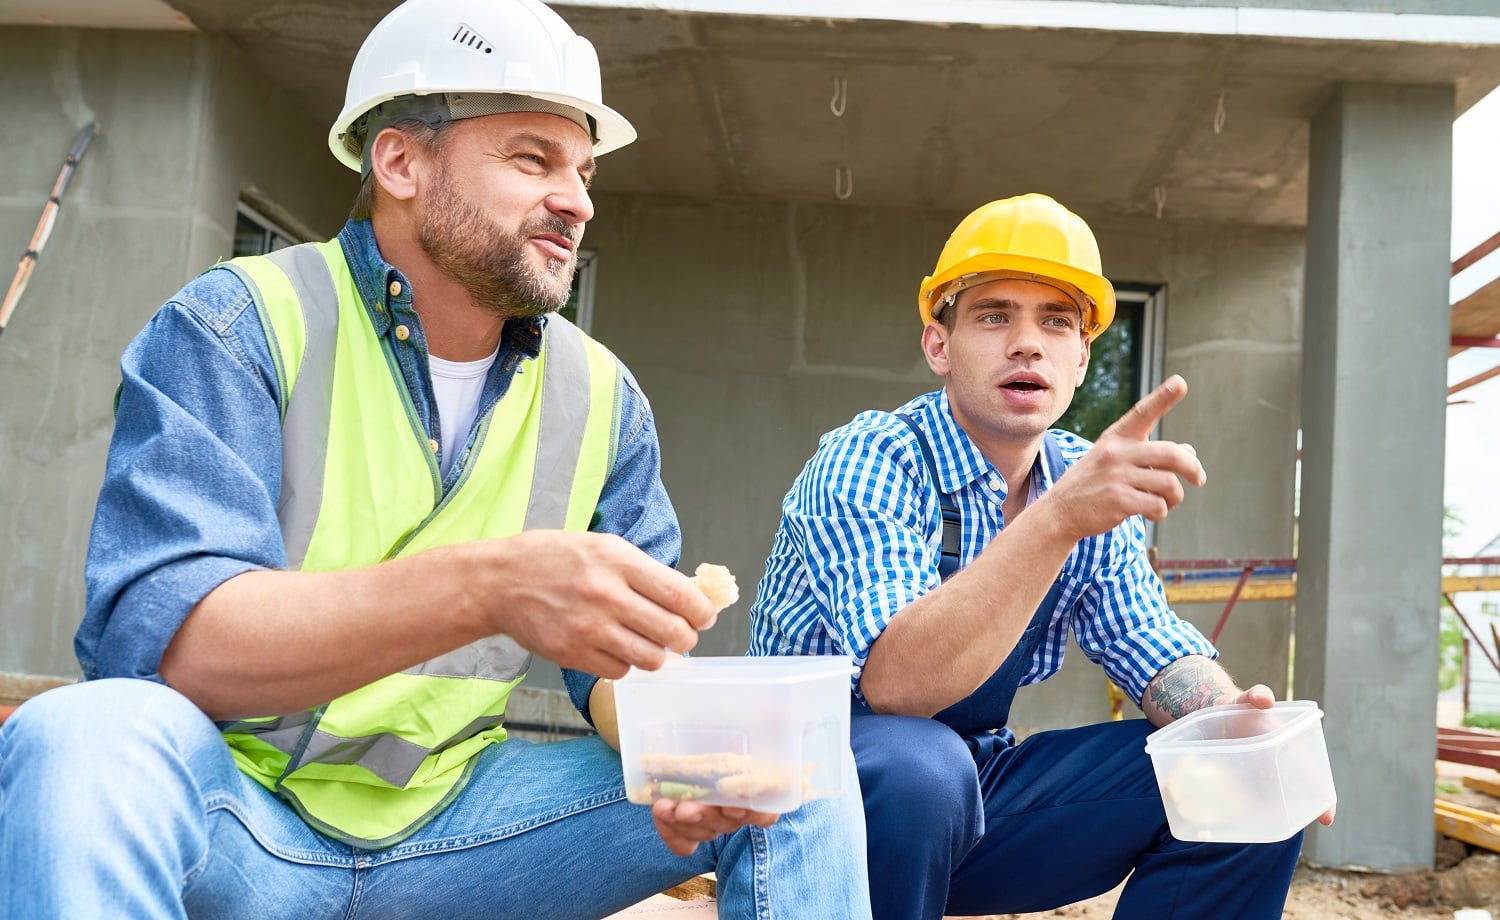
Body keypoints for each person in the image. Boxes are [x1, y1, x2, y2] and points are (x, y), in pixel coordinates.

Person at [0, 1, 870, 917]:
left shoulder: (602, 398)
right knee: (78, 739)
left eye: (583, 170)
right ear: (401, 162)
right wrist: (491, 586)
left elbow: (624, 673)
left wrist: (684, 755)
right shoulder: (243, 325)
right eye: (532, 159)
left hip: (465, 835)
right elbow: (173, 652)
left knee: (792, 761)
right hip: (239, 819)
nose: (575, 199)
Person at [747, 193, 1331, 920]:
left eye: (1056, 322)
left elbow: (1147, 646)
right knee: (918, 767)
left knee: (1241, 780)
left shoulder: (1078, 478)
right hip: (802, 806)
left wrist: (1232, 722)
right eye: (995, 315)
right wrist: (1056, 521)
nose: (1028, 343)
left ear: (1081, 359)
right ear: (939, 344)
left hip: (968, 794)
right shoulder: (872, 458)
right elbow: (898, 687)